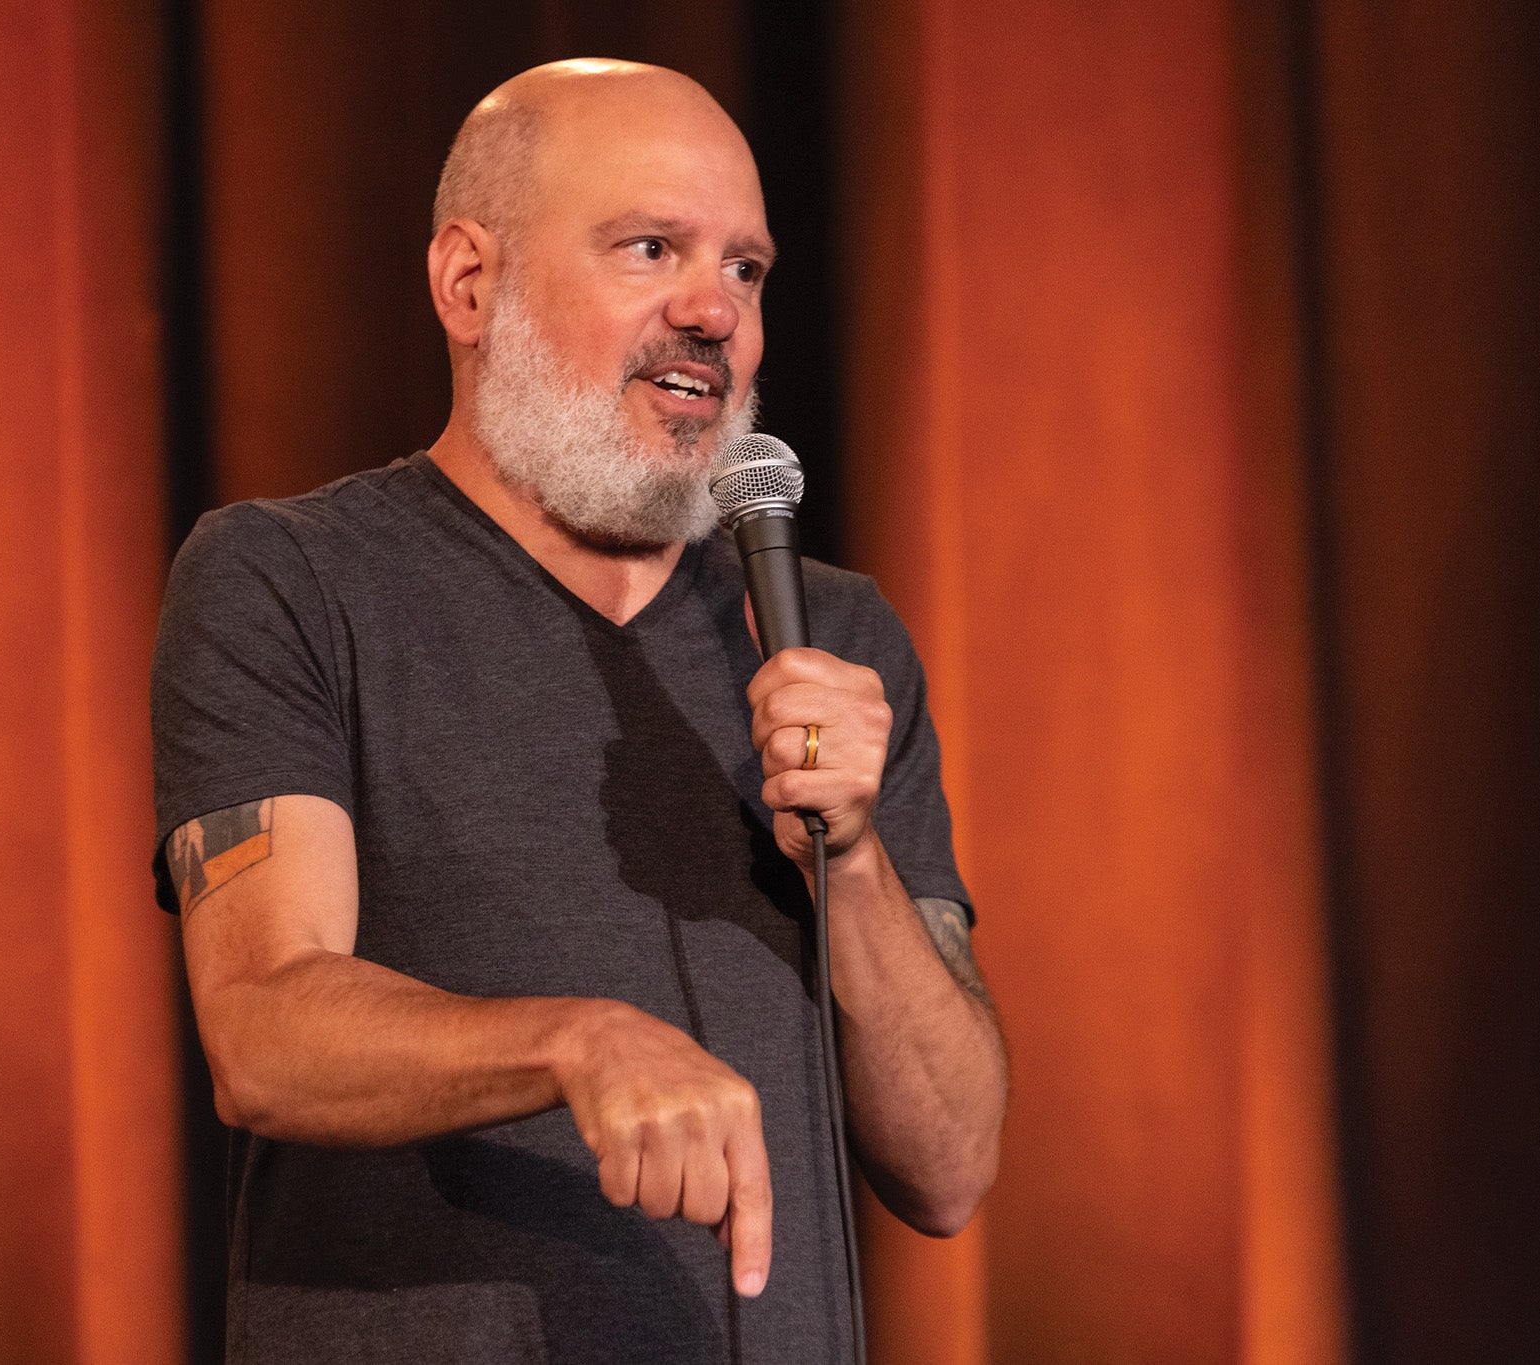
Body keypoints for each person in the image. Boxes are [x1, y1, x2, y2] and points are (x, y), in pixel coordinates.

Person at [151, 59, 1006, 1363]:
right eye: (650, 248)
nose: (713, 311)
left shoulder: (828, 638)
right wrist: (577, 1045)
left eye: (745, 269)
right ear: (467, 283)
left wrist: (851, 858)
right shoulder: (292, 580)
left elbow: (950, 1165)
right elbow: (262, 1029)